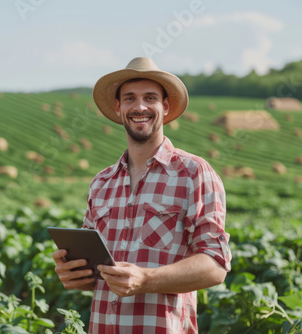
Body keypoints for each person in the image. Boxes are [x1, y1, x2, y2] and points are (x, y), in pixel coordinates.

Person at [52, 57, 231, 333]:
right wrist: (73, 274)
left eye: (150, 98)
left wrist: (146, 279)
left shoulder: (194, 173)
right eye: (130, 98)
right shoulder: (101, 183)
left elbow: (216, 265)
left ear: (165, 106)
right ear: (118, 107)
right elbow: (94, 274)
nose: (140, 107)